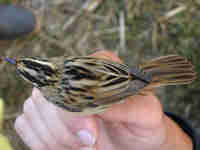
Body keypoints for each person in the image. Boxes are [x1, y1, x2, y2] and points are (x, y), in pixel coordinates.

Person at [14, 51, 199, 150]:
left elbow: (103, 96)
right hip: (121, 74)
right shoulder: (70, 62)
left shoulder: (64, 99)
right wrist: (135, 77)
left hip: (117, 89)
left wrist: (135, 83)